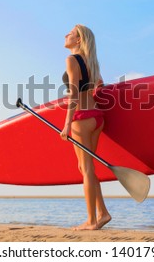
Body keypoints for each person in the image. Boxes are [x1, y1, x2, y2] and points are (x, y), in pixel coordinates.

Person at [60, 24, 111, 230]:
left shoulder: (72, 60)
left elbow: (73, 93)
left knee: (87, 168)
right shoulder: (92, 62)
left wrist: (66, 124)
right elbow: (100, 84)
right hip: (97, 117)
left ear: (79, 40)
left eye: (70, 33)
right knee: (85, 167)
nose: (66, 35)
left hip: (81, 118)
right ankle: (103, 213)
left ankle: (91, 221)